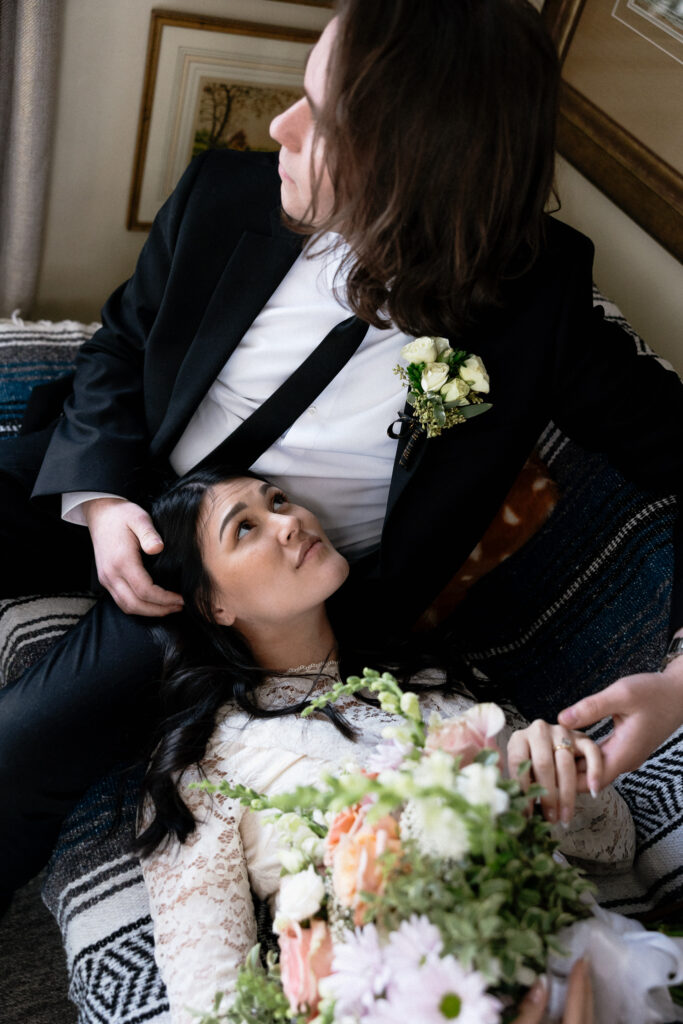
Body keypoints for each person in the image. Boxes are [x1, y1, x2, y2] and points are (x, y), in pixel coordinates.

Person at [1, 0, 682, 900]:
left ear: (417, 167)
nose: (280, 124)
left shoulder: (536, 307)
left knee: (16, 754)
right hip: (124, 483)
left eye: (322, 119)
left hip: (257, 593)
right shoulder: (227, 193)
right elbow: (121, 344)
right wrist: (96, 501)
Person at [135, 468, 630, 1022]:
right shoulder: (201, 767)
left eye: (278, 500)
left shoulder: (426, 678)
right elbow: (212, 1009)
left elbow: (614, 841)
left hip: (591, 964)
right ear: (212, 606)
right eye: (245, 528)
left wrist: (555, 764)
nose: (289, 521)